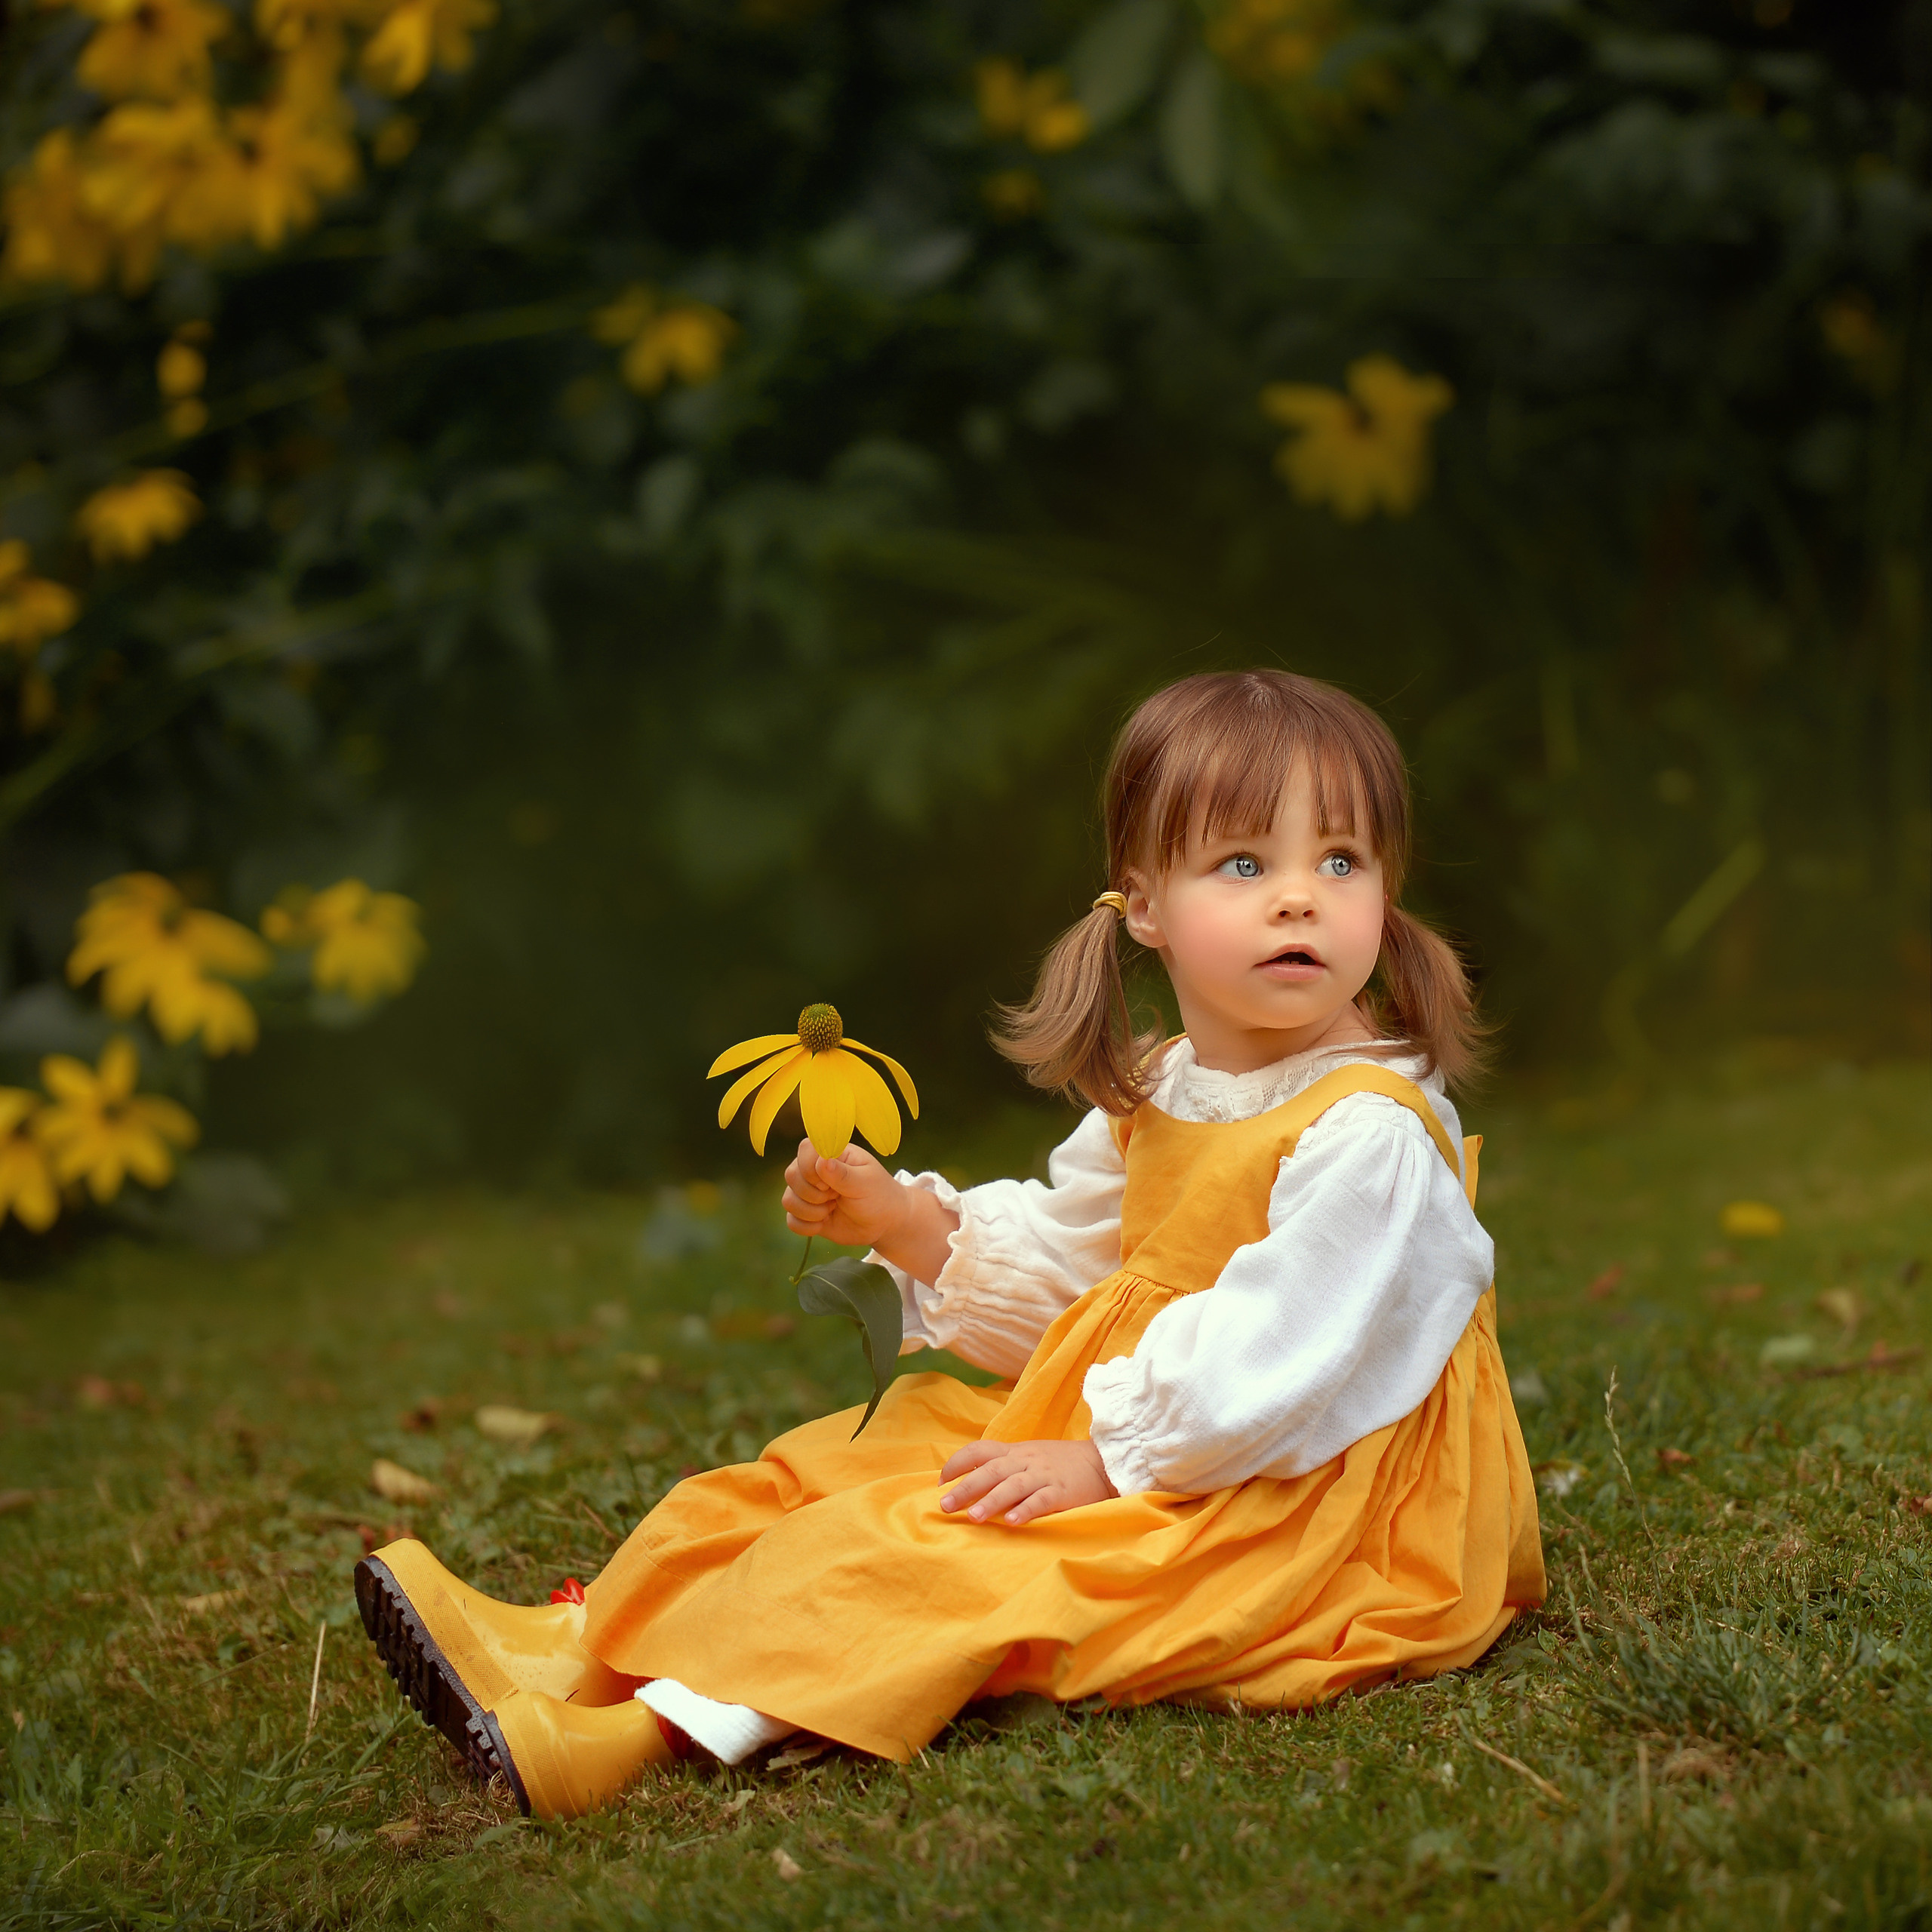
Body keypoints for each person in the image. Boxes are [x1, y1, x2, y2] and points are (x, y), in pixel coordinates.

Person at [355, 668, 1545, 1818]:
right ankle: (577, 1640)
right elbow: (1092, 1277)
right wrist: (913, 1228)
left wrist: (1106, 1461)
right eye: (1245, 863)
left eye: (1340, 862)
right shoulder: (1171, 1089)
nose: (1299, 897)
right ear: (1142, 907)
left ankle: (642, 1733)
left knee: (945, 1561)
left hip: (1292, 1487)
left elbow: (1282, 1356)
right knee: (832, 1471)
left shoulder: (1369, 1132)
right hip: (1162, 1427)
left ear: (1385, 897)